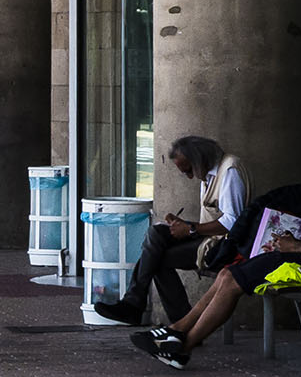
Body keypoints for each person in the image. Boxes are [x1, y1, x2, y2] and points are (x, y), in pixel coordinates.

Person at [133, 132, 301, 368]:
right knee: (228, 273)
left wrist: (296, 245)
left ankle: (183, 348)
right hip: (299, 255)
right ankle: (178, 330)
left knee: (232, 280)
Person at [92, 135, 249, 327]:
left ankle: (152, 311)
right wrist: (183, 226)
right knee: (157, 233)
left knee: (157, 259)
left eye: (189, 170)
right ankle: (137, 304)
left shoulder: (230, 170)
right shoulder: (208, 174)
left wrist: (191, 229)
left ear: (200, 160)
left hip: (225, 245)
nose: (190, 176)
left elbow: (233, 222)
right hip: (209, 238)